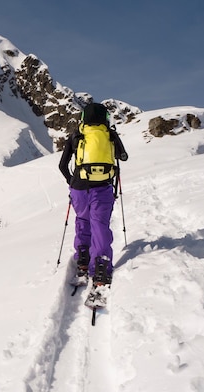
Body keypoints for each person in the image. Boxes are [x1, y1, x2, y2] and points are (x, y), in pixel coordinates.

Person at [58, 102, 128, 289]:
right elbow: (123, 157)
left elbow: (62, 166)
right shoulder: (110, 135)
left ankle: (82, 257)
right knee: (100, 225)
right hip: (103, 188)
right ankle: (101, 268)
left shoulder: (76, 136)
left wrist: (71, 181)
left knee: (83, 219)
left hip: (79, 188)